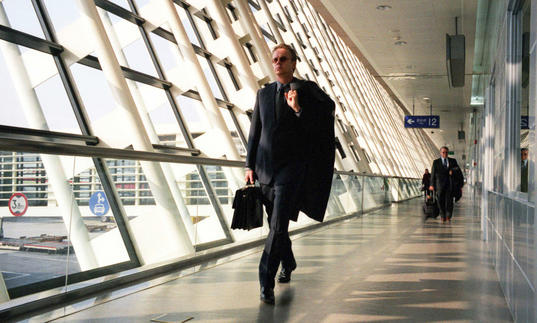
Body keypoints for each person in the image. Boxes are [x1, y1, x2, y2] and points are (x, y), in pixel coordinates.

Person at [245, 44, 335, 304]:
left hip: (291, 171)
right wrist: (249, 165)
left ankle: (266, 282)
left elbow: (322, 126)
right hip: (264, 171)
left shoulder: (307, 91)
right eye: (274, 59)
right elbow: (255, 133)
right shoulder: (263, 94)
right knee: (277, 225)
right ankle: (290, 261)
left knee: (277, 226)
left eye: (283, 59)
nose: (277, 63)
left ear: (294, 63)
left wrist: (298, 110)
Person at [429, 146, 464, 222]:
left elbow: (458, 170)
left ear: (448, 153)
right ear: (440, 153)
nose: (445, 154)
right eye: (443, 152)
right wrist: (431, 184)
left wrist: (453, 172)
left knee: (449, 201)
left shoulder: (453, 161)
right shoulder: (436, 162)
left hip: (450, 185)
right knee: (440, 201)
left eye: (446, 152)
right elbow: (433, 174)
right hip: (440, 185)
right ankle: (442, 215)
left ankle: (448, 215)